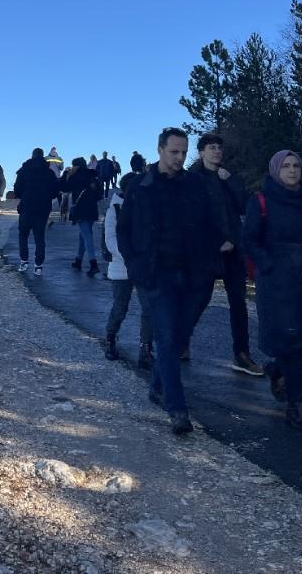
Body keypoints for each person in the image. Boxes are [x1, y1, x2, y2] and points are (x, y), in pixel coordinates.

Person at [118, 127, 228, 435]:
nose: (179, 157)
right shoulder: (141, 185)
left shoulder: (196, 185)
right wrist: (134, 262)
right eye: (174, 152)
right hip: (156, 273)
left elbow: (212, 221)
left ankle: (157, 386)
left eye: (183, 152)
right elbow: (123, 228)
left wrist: (216, 250)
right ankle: (177, 408)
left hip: (195, 273)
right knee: (166, 338)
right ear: (160, 150)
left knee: (180, 335)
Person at [243, 150, 302, 431]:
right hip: (277, 284)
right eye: (286, 165)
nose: (292, 170)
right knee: (293, 342)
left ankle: (276, 369)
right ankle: (296, 407)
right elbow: (249, 240)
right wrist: (269, 265)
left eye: (297, 165)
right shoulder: (260, 200)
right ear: (275, 170)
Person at [188, 133, 262, 375]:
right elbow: (194, 219)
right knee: (199, 300)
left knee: (238, 304)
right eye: (211, 148)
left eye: (219, 148)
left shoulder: (227, 176)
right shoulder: (193, 179)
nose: (217, 151)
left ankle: (241, 354)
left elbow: (245, 206)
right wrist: (216, 242)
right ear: (201, 152)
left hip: (234, 251)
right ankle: (180, 341)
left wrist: (231, 181)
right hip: (209, 251)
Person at [103, 176, 154, 364]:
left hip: (142, 266)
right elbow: (110, 240)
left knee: (148, 307)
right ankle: (110, 338)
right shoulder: (114, 209)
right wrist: (131, 257)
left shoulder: (146, 206)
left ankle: (146, 348)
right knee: (120, 307)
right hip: (122, 266)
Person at [13, 148, 58, 276]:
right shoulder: (49, 173)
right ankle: (38, 266)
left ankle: (24, 261)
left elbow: (17, 190)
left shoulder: (24, 170)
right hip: (42, 208)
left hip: (27, 206)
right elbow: (55, 191)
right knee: (39, 237)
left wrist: (25, 195)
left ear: (32, 156)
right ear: (43, 156)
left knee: (23, 235)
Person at [60, 157, 101, 276]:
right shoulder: (93, 176)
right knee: (83, 235)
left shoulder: (74, 176)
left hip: (81, 210)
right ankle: (78, 260)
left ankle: (93, 264)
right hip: (92, 209)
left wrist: (65, 174)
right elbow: (99, 195)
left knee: (87, 235)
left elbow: (63, 188)